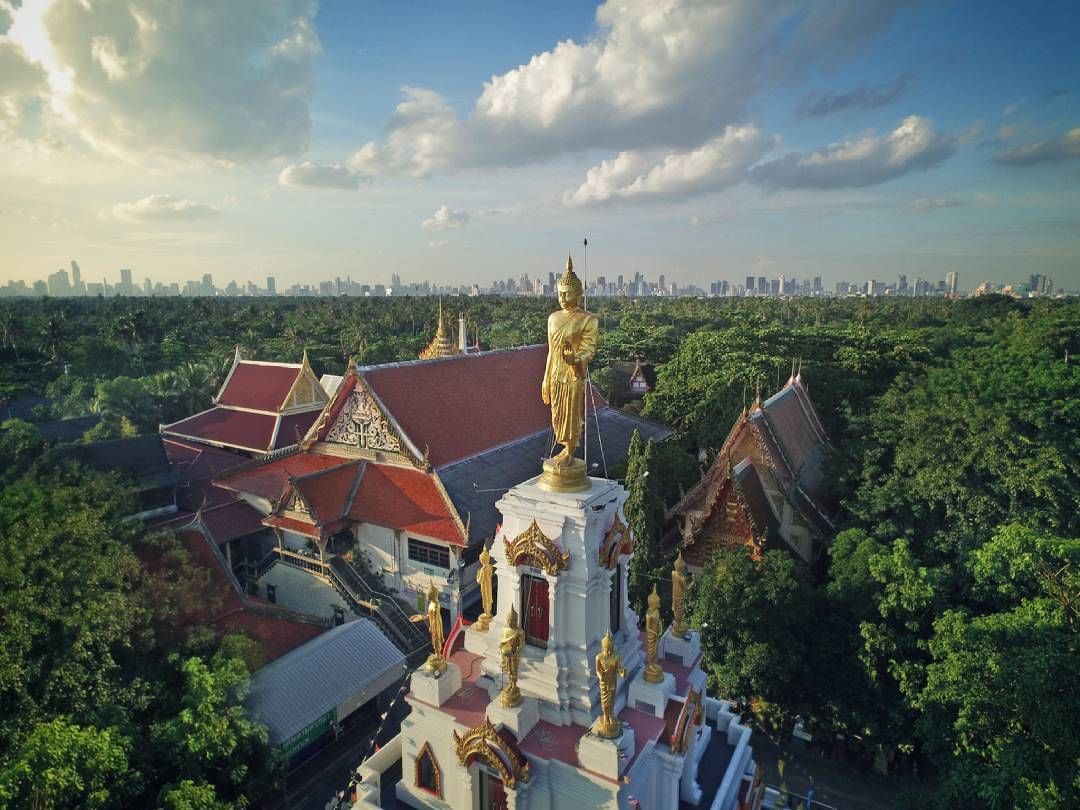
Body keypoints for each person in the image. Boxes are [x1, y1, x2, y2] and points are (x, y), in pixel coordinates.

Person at [542, 256, 598, 468]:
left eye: (567, 293)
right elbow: (550, 352)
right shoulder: (553, 318)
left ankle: (570, 449)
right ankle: (563, 446)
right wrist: (546, 379)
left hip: (573, 375)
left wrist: (573, 359)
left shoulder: (587, 320)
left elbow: (589, 351)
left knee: (571, 415)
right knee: (557, 414)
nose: (563, 298)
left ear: (579, 293)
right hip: (556, 373)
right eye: (559, 293)